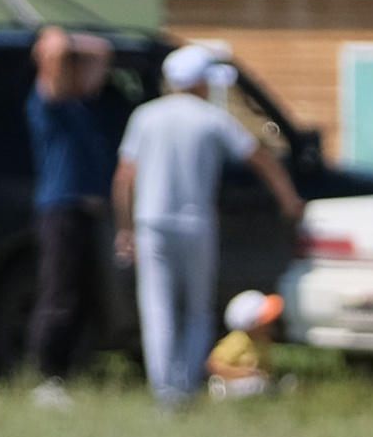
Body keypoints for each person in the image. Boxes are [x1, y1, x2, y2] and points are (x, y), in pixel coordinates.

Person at [112, 45, 300, 405]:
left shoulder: (145, 116)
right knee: (197, 310)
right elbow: (259, 156)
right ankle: (184, 386)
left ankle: (164, 392)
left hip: (151, 224)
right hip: (195, 223)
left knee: (157, 308)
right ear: (200, 82)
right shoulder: (211, 118)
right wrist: (288, 198)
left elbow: (124, 176)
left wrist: (125, 227)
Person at [23, 27, 116, 400]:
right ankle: (46, 374)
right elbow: (57, 46)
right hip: (60, 210)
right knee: (58, 293)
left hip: (84, 213)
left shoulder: (78, 105)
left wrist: (75, 46)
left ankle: (66, 373)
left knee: (79, 294)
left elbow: (103, 49)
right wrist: (55, 40)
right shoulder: (46, 101)